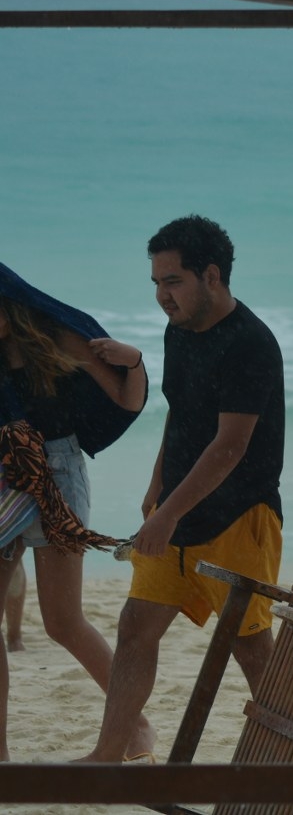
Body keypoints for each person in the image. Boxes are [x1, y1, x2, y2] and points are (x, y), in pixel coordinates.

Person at [80, 215, 285, 763]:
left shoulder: (250, 344)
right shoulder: (180, 331)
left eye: (172, 281)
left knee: (250, 648)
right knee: (134, 629)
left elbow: (229, 446)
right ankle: (109, 755)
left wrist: (166, 513)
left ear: (211, 276)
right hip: (176, 510)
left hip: (240, 517)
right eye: (155, 283)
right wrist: (156, 488)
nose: (161, 295)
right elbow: (180, 415)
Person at [0, 266, 149, 763]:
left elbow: (127, 399)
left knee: (63, 622)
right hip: (5, 478)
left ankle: (137, 728)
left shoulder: (54, 337)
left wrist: (137, 362)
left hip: (58, 478)